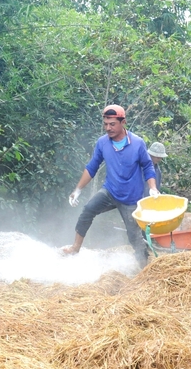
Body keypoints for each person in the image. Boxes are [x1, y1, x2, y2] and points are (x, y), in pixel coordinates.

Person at [64, 105, 159, 268]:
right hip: (110, 191)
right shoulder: (102, 143)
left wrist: (153, 187)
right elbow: (92, 167)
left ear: (123, 122)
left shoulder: (137, 143)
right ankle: (75, 248)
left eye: (112, 124)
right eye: (106, 124)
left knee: (134, 235)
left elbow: (148, 167)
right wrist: (77, 190)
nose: (108, 128)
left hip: (131, 198)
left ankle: (144, 268)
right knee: (88, 210)